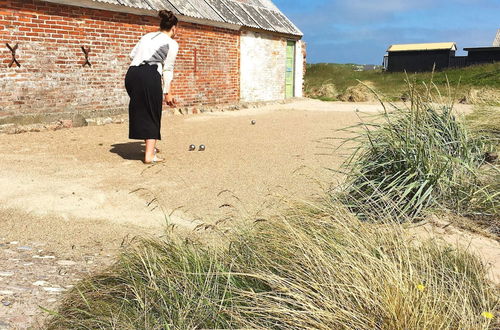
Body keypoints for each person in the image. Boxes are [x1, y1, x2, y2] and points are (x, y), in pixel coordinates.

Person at [125, 10, 179, 164]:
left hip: (132, 74)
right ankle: (149, 155)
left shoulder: (147, 36)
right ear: (174, 28)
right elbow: (168, 69)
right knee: (153, 112)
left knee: (142, 109)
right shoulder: (172, 44)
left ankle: (150, 148)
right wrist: (167, 92)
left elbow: (132, 55)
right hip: (149, 74)